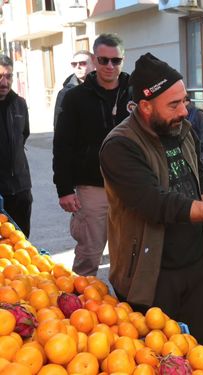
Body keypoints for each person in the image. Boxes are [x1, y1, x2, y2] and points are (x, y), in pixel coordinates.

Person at [100, 53, 203, 346]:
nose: (184, 111)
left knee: (199, 350)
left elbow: (200, 175)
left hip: (195, 265)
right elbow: (156, 203)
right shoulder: (119, 145)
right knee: (157, 357)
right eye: (174, 104)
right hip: (151, 275)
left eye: (185, 101)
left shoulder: (181, 128)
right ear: (146, 106)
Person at [53, 33, 131, 276]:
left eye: (115, 61)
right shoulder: (75, 97)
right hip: (91, 186)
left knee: (129, 252)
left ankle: (124, 307)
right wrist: (64, 189)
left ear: (123, 60)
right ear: (94, 61)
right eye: (104, 60)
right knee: (89, 251)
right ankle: (80, 308)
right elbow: (62, 144)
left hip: (130, 185)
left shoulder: (134, 94)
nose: (110, 66)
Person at [0, 55, 32, 237]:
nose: (4, 82)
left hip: (20, 190)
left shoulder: (20, 104)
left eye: (8, 76)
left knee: (21, 244)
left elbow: (23, 136)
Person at [53, 50, 95, 129]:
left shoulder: (105, 87)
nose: (78, 67)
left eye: (82, 63)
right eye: (74, 64)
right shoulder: (65, 93)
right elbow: (58, 125)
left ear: (94, 65)